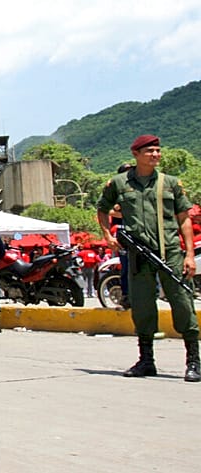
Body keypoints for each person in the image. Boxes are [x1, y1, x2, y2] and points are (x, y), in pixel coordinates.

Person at [97, 134, 199, 383]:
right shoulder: (120, 183)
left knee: (183, 303)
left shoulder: (170, 183)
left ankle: (194, 361)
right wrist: (108, 237)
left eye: (157, 150)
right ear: (136, 154)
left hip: (170, 253)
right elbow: (101, 208)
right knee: (142, 307)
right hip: (139, 254)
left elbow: (184, 218)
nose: (155, 154)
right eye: (149, 151)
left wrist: (189, 254)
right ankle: (146, 360)